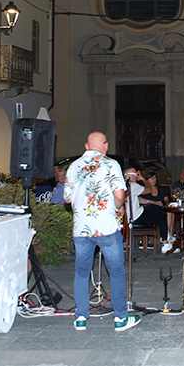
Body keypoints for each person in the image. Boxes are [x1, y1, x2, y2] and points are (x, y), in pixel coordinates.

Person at [64, 131, 136, 332]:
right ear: (105, 145)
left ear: (87, 147)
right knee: (116, 271)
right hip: (106, 227)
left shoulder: (73, 166)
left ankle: (80, 317)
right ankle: (120, 318)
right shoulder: (110, 164)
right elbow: (119, 193)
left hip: (82, 228)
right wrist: (118, 206)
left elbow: (67, 199)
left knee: (81, 272)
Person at [134, 170, 174, 251]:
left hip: (157, 209)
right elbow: (143, 199)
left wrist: (166, 204)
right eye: (151, 178)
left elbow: (166, 199)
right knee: (161, 212)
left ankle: (167, 235)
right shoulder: (142, 189)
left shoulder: (160, 189)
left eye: (155, 178)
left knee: (168, 211)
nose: (153, 179)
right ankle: (165, 238)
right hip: (146, 212)